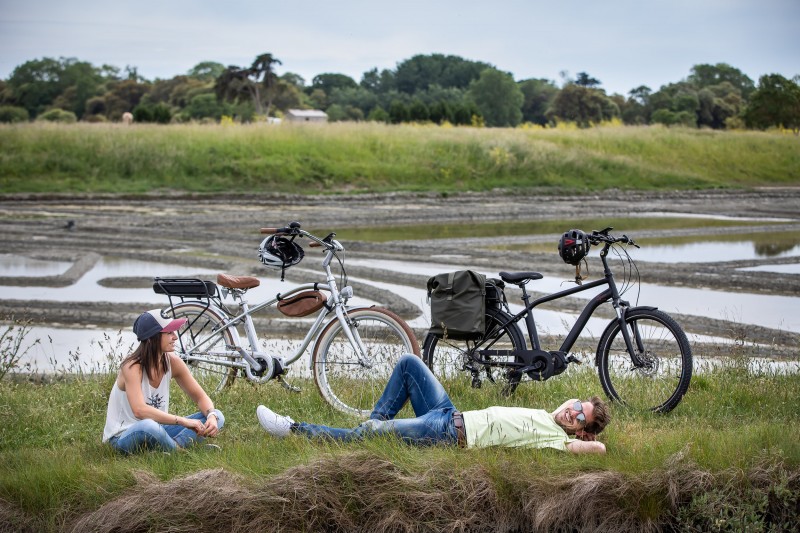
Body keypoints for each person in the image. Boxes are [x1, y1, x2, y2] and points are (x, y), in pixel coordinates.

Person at [257, 354, 609, 454]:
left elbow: (601, 451)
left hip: (446, 434)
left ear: (580, 429)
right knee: (409, 363)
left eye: (580, 416)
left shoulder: (558, 440)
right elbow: (566, 406)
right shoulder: (549, 414)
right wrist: (571, 407)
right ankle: (371, 435)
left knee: (370, 431)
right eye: (577, 405)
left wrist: (586, 439)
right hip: (448, 413)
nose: (572, 411)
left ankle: (292, 429)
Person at [102, 309, 225, 454]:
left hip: (158, 430)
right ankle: (184, 453)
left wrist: (211, 416)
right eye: (169, 333)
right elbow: (139, 410)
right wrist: (183, 421)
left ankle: (169, 449)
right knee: (148, 426)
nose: (175, 337)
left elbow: (200, 397)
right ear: (151, 337)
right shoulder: (132, 366)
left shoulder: (172, 361)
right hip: (122, 438)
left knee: (218, 415)